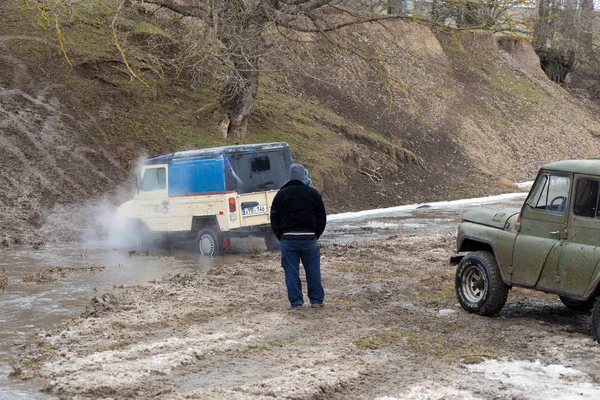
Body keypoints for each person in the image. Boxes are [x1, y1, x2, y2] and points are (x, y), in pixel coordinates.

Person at [270, 163, 327, 310]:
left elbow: (274, 219)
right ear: (304, 176)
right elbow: (322, 217)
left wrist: (281, 237)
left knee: (291, 272)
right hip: (309, 239)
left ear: (290, 178)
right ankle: (316, 301)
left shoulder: (281, 195)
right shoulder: (313, 194)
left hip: (288, 239)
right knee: (313, 271)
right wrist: (315, 235)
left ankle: (296, 303)